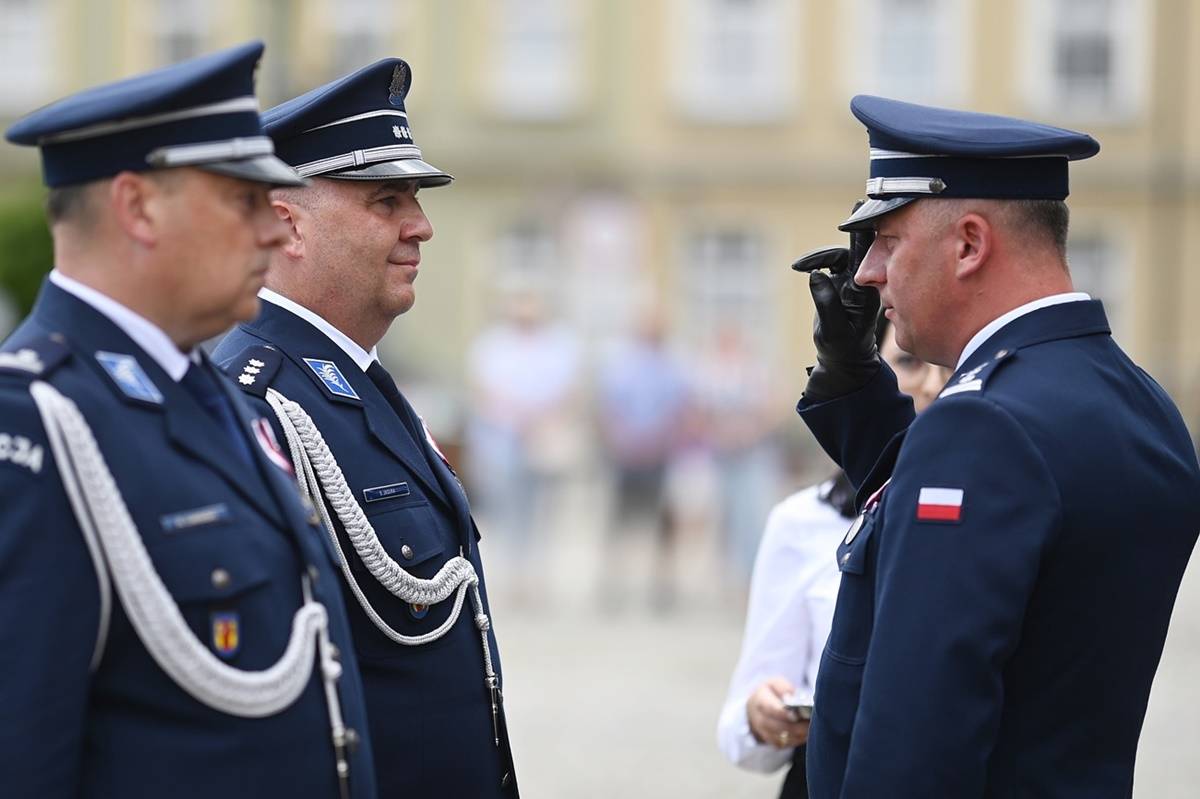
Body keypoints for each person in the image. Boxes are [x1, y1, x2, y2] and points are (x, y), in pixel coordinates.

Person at [0, 43, 377, 798]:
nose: (273, 231)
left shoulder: (208, 390)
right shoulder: (36, 421)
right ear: (138, 207)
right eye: (243, 201)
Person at [795, 95, 1200, 798]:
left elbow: (914, 746)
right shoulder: (1137, 402)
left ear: (970, 245)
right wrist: (853, 381)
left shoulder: (982, 428)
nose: (865, 272)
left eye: (887, 239)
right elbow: (999, 521)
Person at [212, 59, 517, 797]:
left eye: (414, 199)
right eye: (387, 200)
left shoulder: (358, 381)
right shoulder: (256, 401)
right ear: (287, 224)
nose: (422, 226)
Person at [718, 315, 951, 798]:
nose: (933, 385)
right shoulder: (803, 521)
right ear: (867, 373)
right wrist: (763, 715)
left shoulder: (990, 512)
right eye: (909, 363)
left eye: (951, 366)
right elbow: (741, 728)